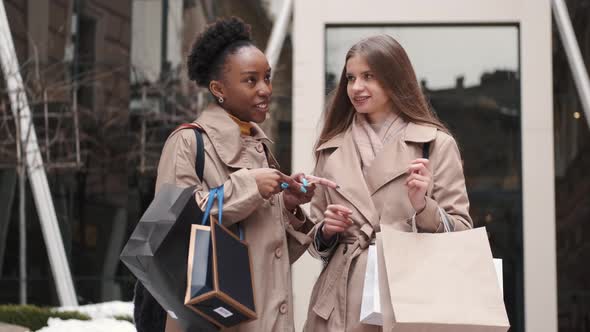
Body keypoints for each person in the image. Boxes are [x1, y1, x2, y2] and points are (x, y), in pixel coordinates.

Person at [139, 17, 334, 332]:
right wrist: (250, 186)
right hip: (215, 320)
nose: (265, 90)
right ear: (218, 89)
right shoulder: (189, 142)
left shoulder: (259, 149)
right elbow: (172, 228)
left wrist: (287, 205)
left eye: (268, 78)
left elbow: (266, 255)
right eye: (250, 80)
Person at [304, 34, 474, 331]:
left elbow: (462, 233)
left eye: (368, 76)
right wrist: (327, 231)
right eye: (350, 78)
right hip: (341, 306)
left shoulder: (434, 145)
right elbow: (315, 245)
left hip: (410, 297)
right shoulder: (330, 150)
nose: (356, 88)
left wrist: (423, 206)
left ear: (394, 78)